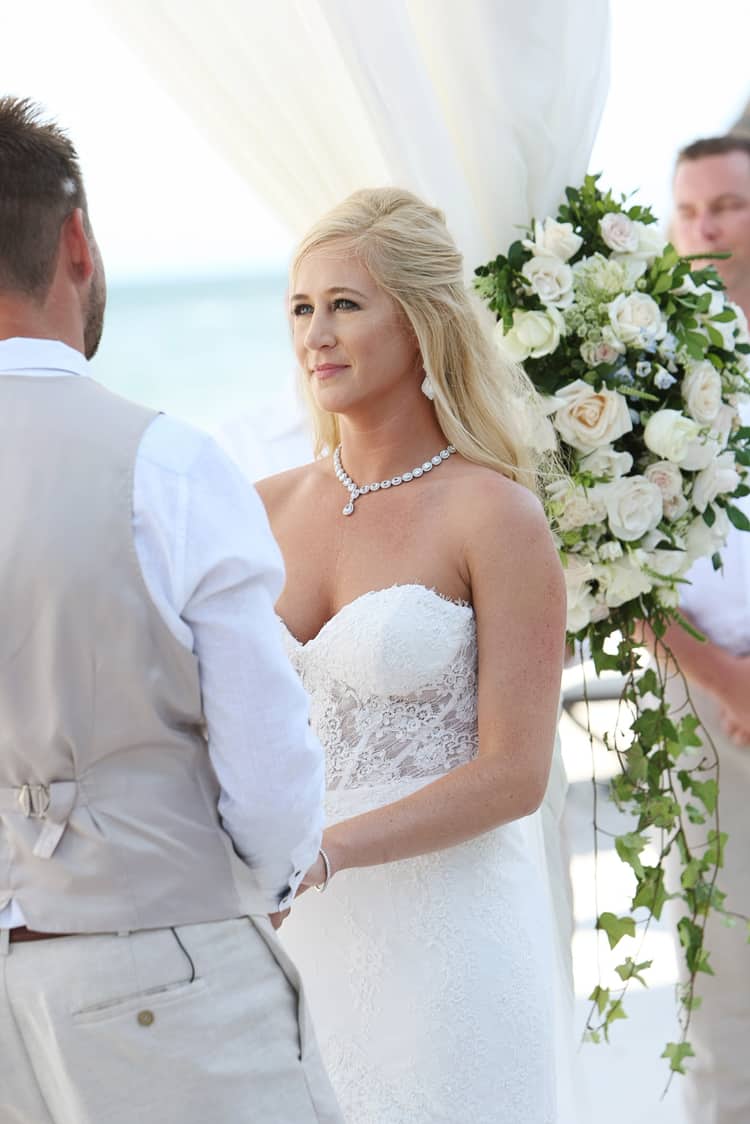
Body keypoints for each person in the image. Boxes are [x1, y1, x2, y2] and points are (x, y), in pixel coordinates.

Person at [0, 97, 342, 1124]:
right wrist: (275, 867)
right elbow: (270, 767)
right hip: (164, 971)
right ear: (75, 241)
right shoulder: (168, 462)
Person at [256, 186, 567, 1123]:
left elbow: (515, 773)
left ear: (423, 321)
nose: (317, 333)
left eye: (347, 304)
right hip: (282, 933)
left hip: (445, 943)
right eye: (302, 308)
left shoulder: (495, 514)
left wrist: (328, 852)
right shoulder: (257, 507)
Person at [657, 134, 750, 1124]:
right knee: (722, 957)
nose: (707, 228)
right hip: (713, 698)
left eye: (726, 205)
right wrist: (724, 678)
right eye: (688, 212)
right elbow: (608, 566)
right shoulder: (641, 369)